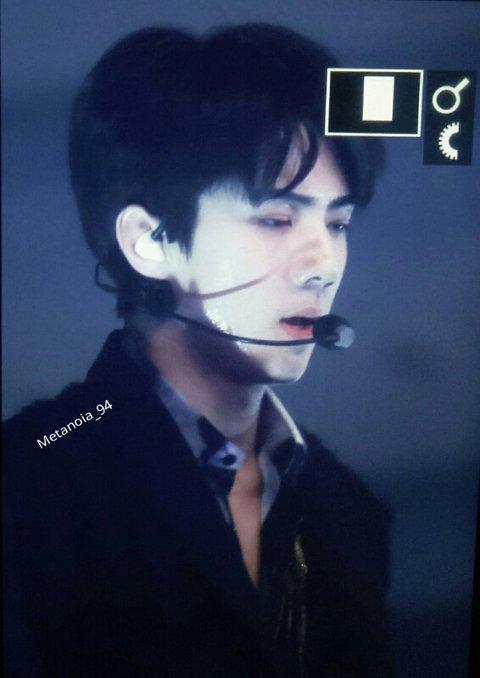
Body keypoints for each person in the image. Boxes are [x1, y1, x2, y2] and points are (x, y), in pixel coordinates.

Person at [4, 23, 393, 677]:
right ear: (150, 242)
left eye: (338, 223)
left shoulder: (347, 511)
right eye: (275, 219)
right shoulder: (31, 480)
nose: (324, 263)